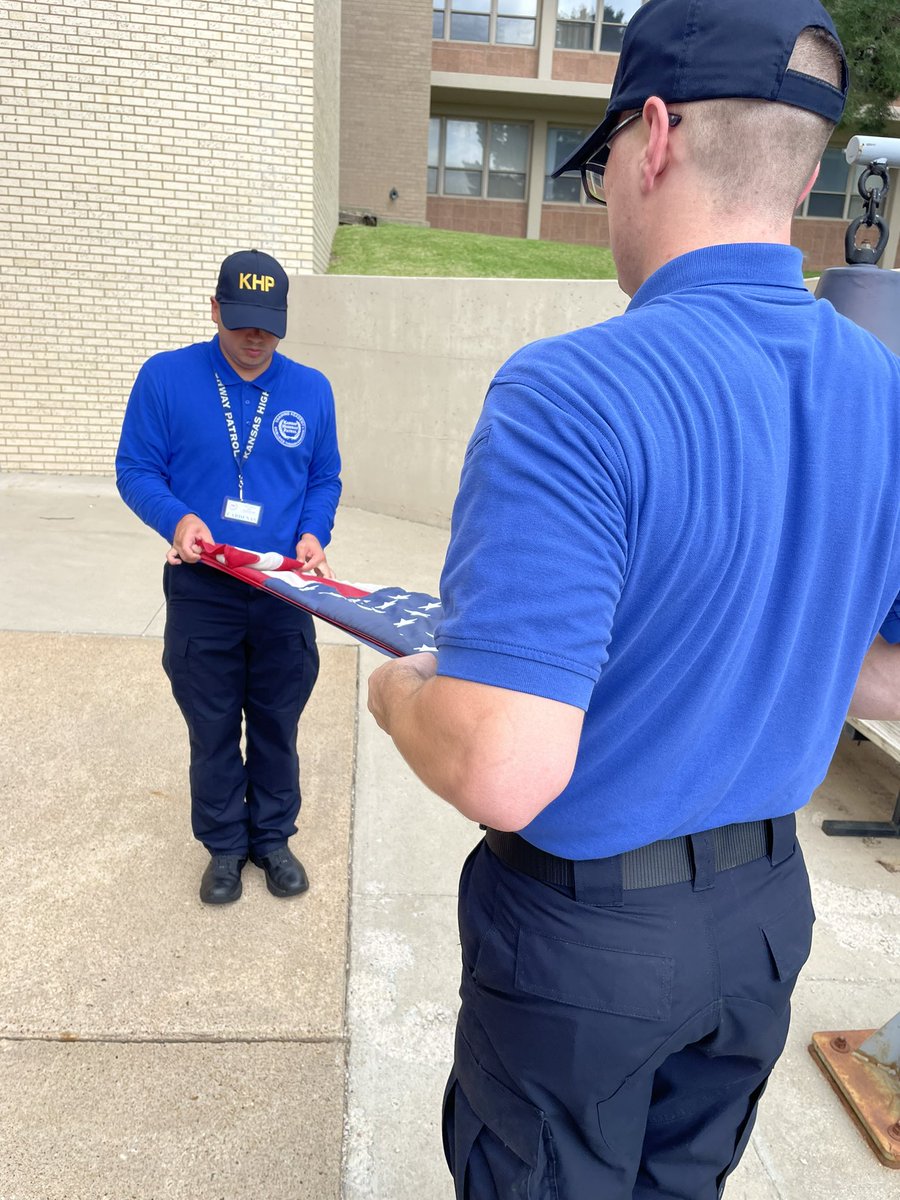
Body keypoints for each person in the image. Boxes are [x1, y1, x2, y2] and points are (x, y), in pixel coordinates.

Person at [367, 1, 900, 1195]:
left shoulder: (573, 393)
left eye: (605, 158)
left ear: (652, 136)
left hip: (586, 950)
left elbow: (505, 767)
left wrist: (403, 692)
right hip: (761, 927)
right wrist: (788, 639)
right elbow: (889, 676)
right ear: (806, 166)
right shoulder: (886, 389)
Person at [117, 249, 341, 905]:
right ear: (215, 309)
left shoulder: (311, 390)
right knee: (212, 727)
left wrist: (312, 533)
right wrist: (178, 520)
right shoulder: (166, 378)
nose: (254, 337)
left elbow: (323, 478)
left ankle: (271, 839)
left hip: (280, 592)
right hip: (203, 591)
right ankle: (223, 846)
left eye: (268, 324)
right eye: (241, 320)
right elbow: (136, 469)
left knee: (277, 723)